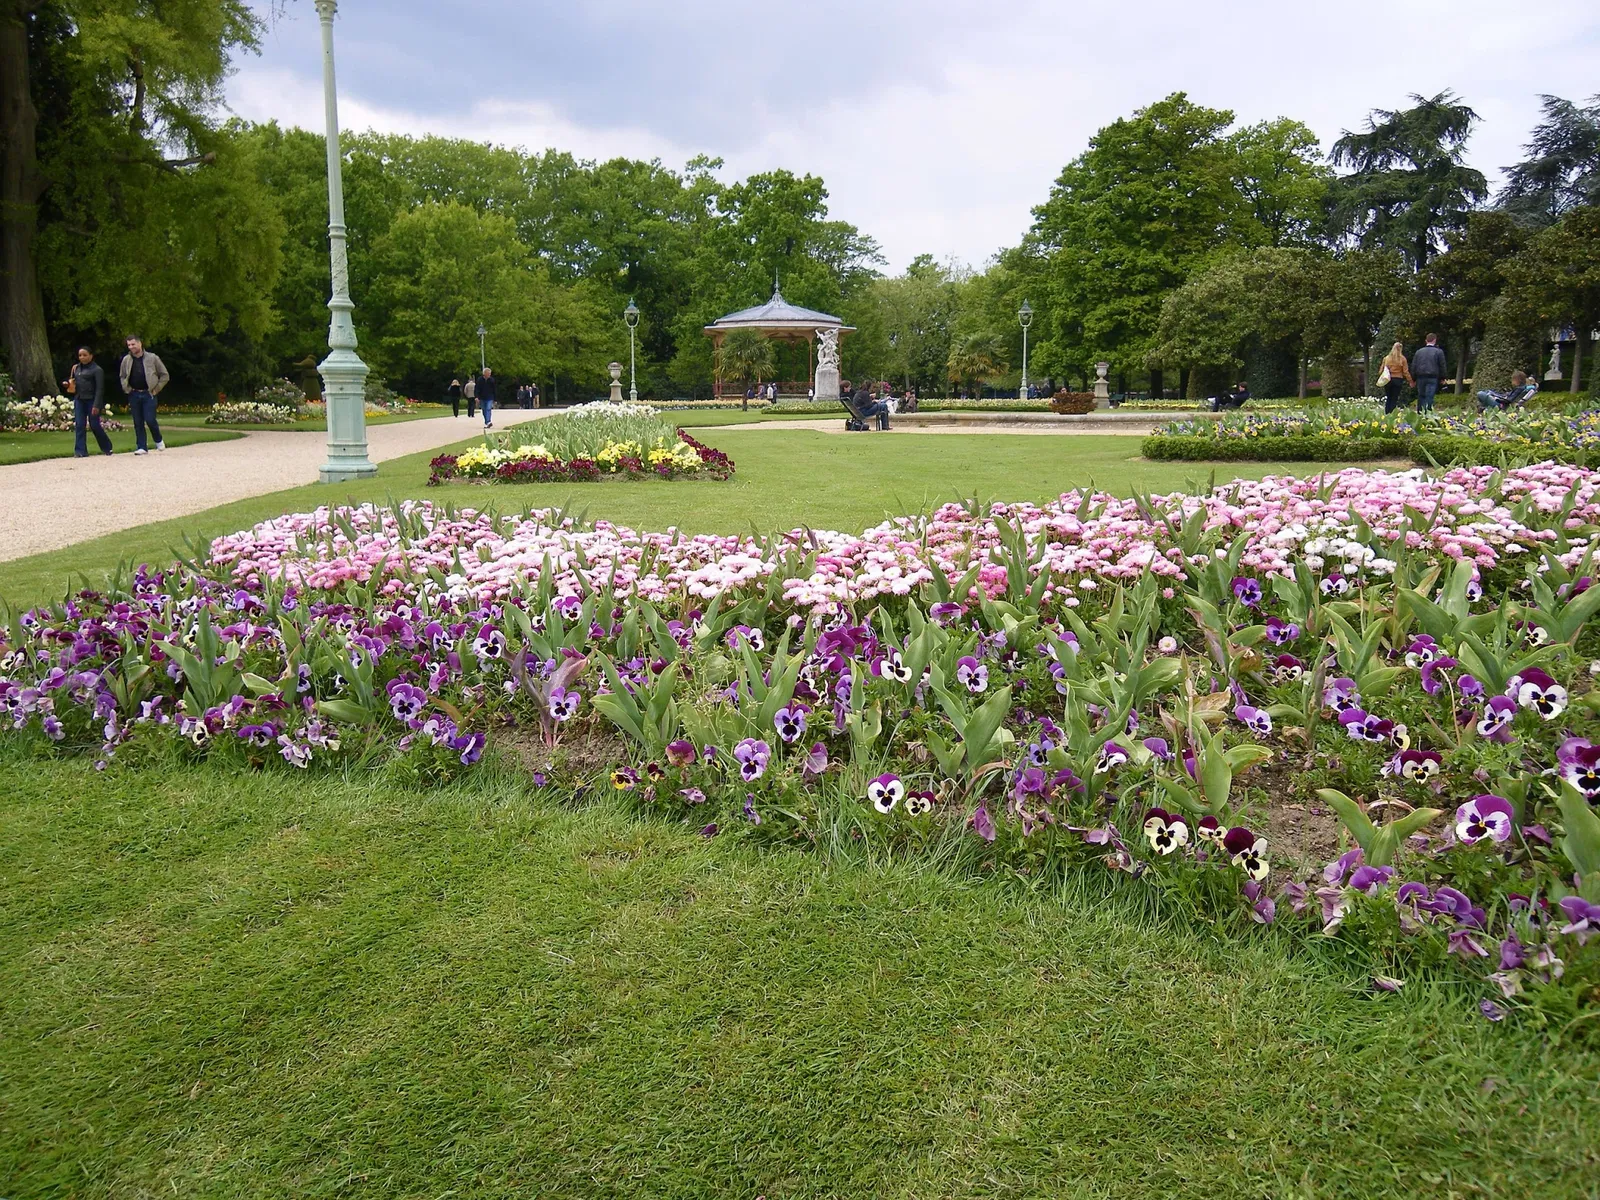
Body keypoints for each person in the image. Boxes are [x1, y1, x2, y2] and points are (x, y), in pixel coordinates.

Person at [118, 334, 168, 454]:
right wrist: (127, 388)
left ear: (140, 343)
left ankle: (158, 439)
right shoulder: (126, 360)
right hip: (134, 393)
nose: (131, 347)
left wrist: (156, 389)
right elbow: (122, 375)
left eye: (133, 344)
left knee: (150, 419)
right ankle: (141, 446)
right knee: (138, 421)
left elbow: (164, 375)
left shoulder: (153, 358)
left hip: (149, 393)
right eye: (129, 345)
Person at [64, 346, 113, 458]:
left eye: (85, 355)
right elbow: (74, 381)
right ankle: (80, 450)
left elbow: (100, 388)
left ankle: (107, 446)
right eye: (80, 355)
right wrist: (68, 384)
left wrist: (96, 404)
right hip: (79, 399)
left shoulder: (97, 370)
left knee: (94, 424)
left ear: (91, 356)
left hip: (92, 399)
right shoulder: (76, 368)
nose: (82, 357)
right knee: (80, 425)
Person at [1411, 333, 1447, 412]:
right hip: (1432, 377)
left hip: (1420, 377)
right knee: (1429, 396)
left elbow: (1414, 366)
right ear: (1435, 340)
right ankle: (1428, 413)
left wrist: (1413, 379)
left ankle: (1420, 413)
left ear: (1426, 340)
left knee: (1421, 396)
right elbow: (1442, 365)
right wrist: (1443, 377)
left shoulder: (1419, 352)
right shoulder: (1439, 352)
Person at [1379, 342, 1414, 414]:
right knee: (1394, 398)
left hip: (1388, 379)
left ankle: (1387, 414)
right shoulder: (1402, 359)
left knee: (1389, 397)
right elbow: (1405, 372)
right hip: (1398, 379)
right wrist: (1410, 381)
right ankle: (1392, 414)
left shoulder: (1386, 358)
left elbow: (1381, 370)